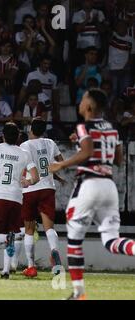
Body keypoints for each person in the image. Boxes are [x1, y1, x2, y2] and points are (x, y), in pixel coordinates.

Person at [49, 89, 135, 300]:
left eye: (84, 98)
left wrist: (61, 164)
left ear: (89, 106)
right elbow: (118, 160)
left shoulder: (83, 126)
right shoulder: (112, 128)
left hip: (89, 185)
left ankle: (79, 293)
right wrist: (83, 142)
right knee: (111, 240)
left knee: (75, 238)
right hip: (109, 187)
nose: (80, 101)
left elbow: (87, 152)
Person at [0, 122, 39, 279]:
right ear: (19, 137)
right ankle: (5, 270)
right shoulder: (24, 153)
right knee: (11, 233)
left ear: (2, 135)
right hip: (16, 198)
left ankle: (9, 239)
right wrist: (29, 182)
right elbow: (35, 177)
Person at [19, 118, 64, 277]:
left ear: (31, 129)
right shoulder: (51, 143)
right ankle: (55, 252)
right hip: (47, 188)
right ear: (44, 130)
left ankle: (31, 267)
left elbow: (22, 167)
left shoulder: (25, 145)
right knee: (49, 228)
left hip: (30, 189)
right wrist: (55, 176)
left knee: (29, 230)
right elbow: (60, 162)